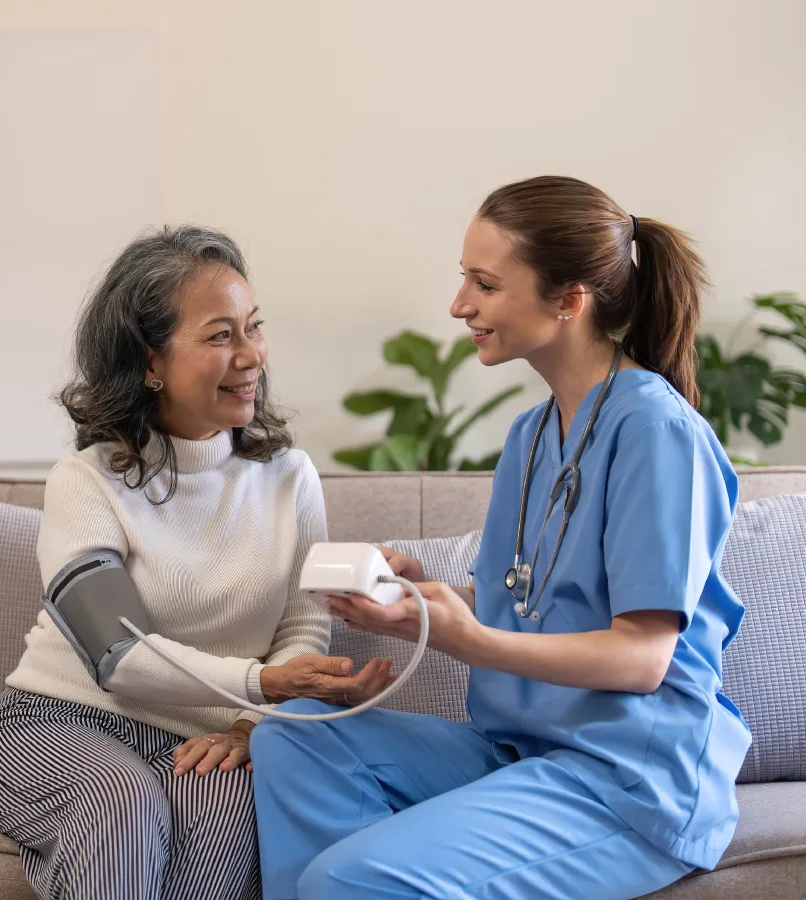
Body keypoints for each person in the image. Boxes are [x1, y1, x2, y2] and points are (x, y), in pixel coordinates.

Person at [249, 176, 751, 900]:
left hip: (631, 781)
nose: (460, 306)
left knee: (345, 878)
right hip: (524, 752)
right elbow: (517, 597)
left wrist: (465, 639)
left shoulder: (656, 433)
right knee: (293, 736)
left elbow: (641, 657)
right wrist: (412, 597)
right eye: (464, 279)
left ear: (568, 300)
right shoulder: (531, 435)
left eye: (485, 284)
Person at [0, 226, 392, 900]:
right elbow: (120, 659)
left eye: (253, 328)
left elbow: (303, 629)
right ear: (151, 361)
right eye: (220, 336)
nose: (251, 356)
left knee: (226, 808)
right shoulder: (87, 480)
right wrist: (263, 686)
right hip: (58, 725)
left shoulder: (289, 478)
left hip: (206, 740)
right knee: (121, 801)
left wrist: (255, 726)